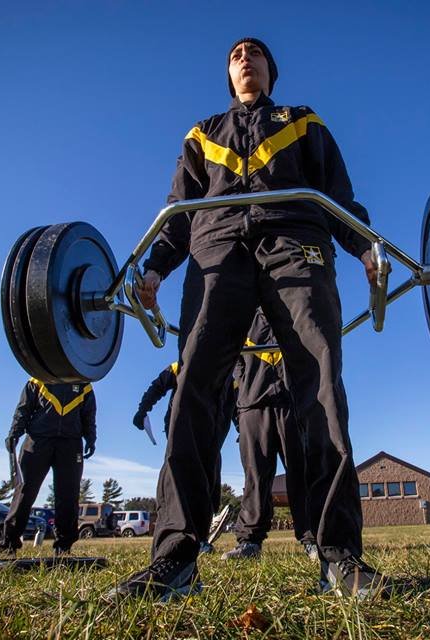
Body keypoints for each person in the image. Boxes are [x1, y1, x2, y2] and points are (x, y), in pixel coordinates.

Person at [110, 37, 384, 600]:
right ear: (227, 72)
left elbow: (339, 194)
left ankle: (338, 555)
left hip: (296, 243)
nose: (244, 58)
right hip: (216, 252)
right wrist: (157, 269)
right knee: (193, 393)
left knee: (320, 388)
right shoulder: (202, 133)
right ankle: (176, 558)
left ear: (270, 69)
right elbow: (175, 213)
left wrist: (364, 247)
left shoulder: (302, 121)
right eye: (235, 54)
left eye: (254, 53)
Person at [221, 308, 317, 561]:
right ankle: (249, 542)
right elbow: (235, 365)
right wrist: (241, 407)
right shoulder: (242, 317)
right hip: (252, 405)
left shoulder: (291, 310)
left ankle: (313, 539)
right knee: (255, 475)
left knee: (301, 472)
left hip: (291, 404)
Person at [132, 362, 237, 552]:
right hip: (181, 430)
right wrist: (143, 409)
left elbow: (236, 406)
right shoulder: (181, 364)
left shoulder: (228, 373)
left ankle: (204, 531)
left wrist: (241, 429)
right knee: (178, 476)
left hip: (212, 434)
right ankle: (172, 527)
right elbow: (157, 386)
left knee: (210, 476)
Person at [0, 378, 96, 556]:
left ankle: (64, 547)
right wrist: (14, 432)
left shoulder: (84, 385)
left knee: (68, 495)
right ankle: (9, 544)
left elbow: (89, 415)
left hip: (70, 443)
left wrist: (91, 438)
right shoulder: (37, 380)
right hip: (37, 441)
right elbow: (23, 409)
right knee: (24, 492)